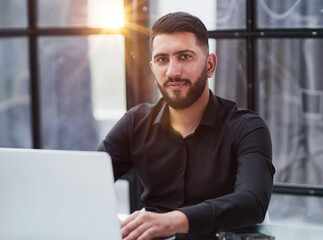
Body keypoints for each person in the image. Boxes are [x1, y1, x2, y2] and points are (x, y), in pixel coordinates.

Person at [98, 11, 275, 240]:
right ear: (153, 69)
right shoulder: (135, 123)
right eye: (162, 59)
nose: (173, 71)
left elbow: (252, 201)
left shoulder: (248, 128)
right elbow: (88, 183)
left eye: (184, 57)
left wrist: (173, 221)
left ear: (210, 65)